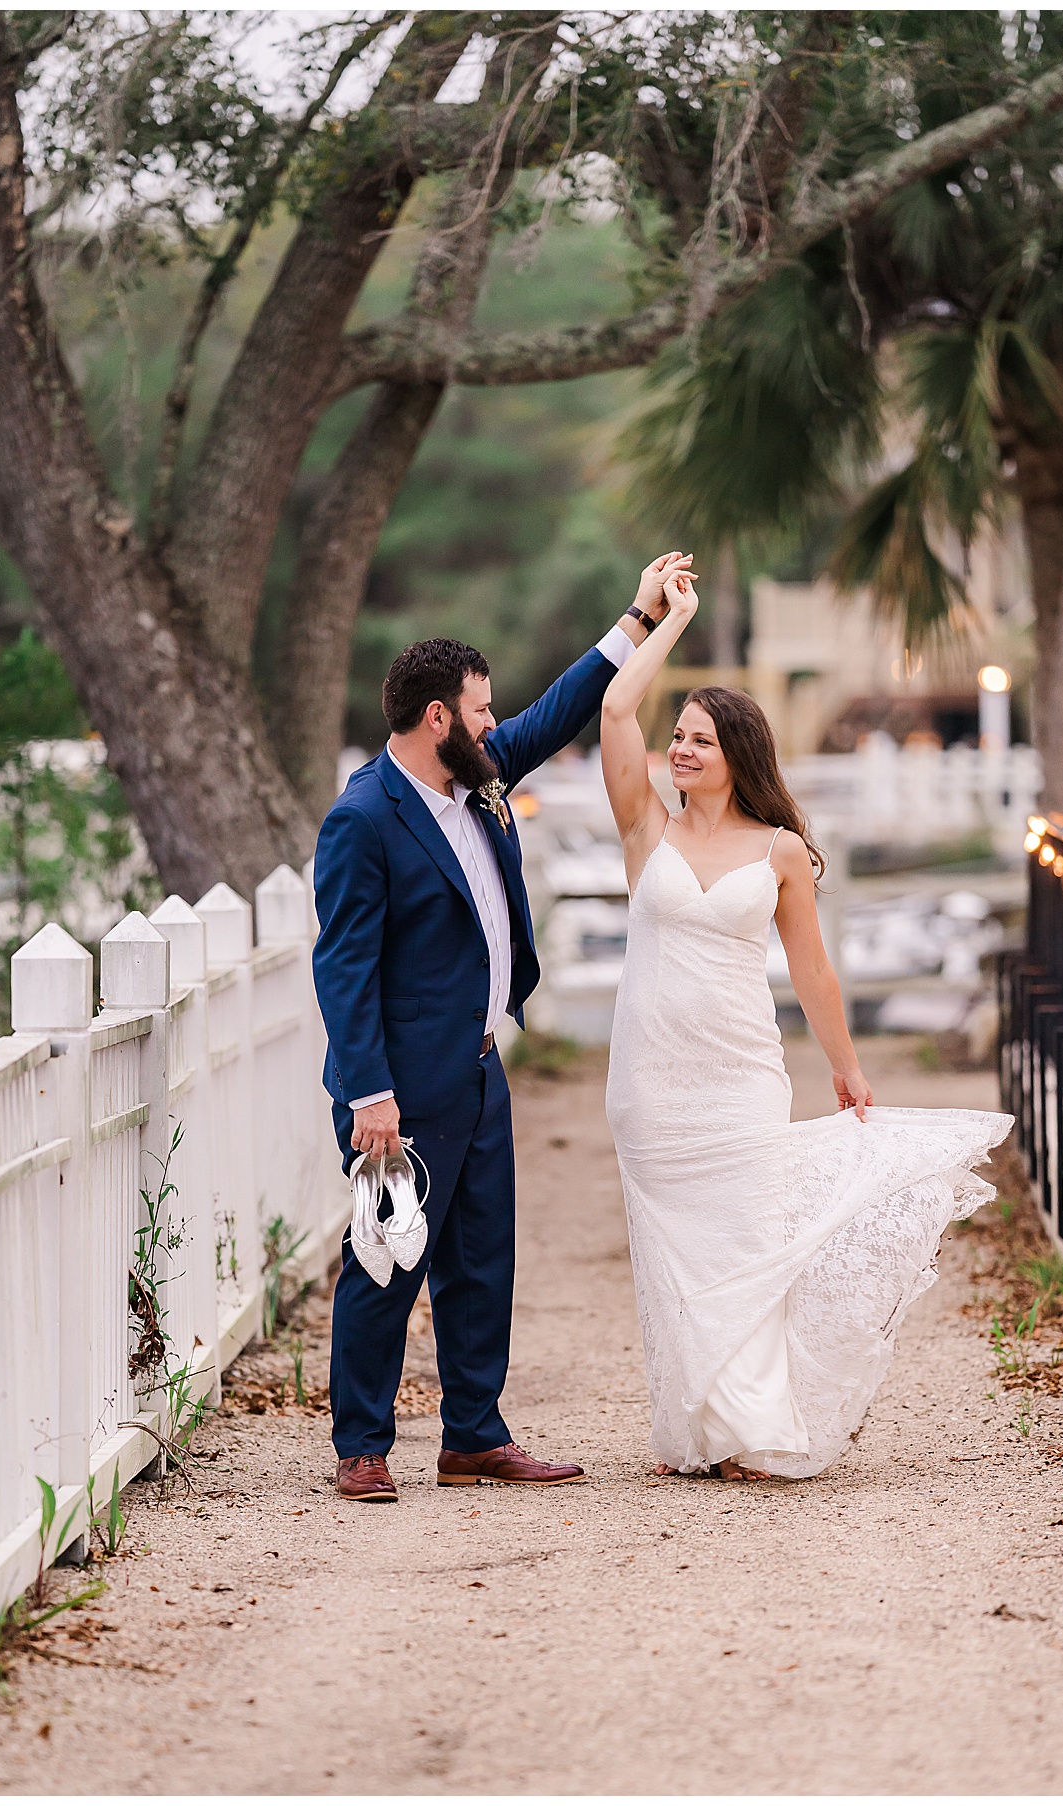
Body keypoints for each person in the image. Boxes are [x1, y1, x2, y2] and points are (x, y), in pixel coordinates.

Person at [600, 559, 1012, 1480]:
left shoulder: (782, 852)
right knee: (674, 1255)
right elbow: (617, 713)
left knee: (744, 1248)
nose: (683, 751)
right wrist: (664, 621)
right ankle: (697, 1427)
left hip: (741, 1073)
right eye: (682, 737)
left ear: (740, 753)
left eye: (702, 739)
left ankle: (752, 1431)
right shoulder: (647, 829)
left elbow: (814, 969)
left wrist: (847, 1066)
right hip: (651, 1081)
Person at [312, 553, 693, 1502]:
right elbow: (343, 965)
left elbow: (562, 709)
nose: (495, 725)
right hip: (399, 1087)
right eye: (481, 711)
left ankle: (473, 1436)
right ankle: (361, 1445)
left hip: (481, 1069)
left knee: (482, 1261)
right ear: (436, 717)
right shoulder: (364, 817)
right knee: (385, 1263)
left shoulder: (476, 780)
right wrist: (370, 1093)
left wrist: (636, 620)